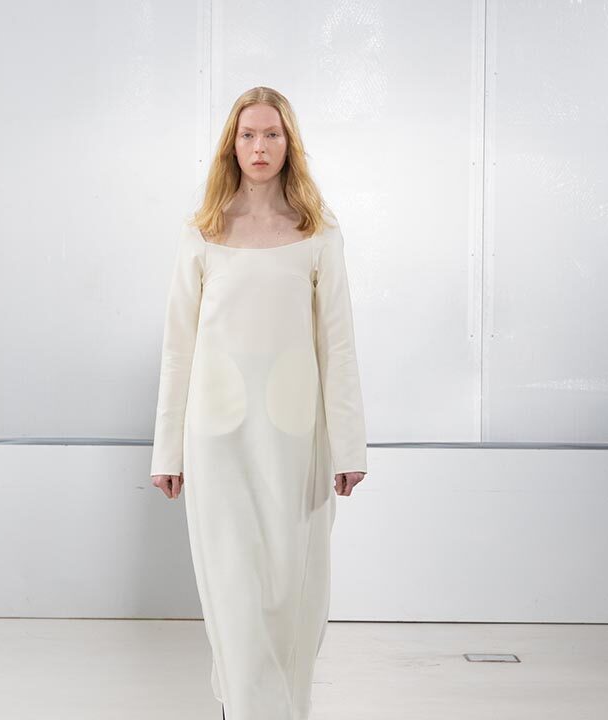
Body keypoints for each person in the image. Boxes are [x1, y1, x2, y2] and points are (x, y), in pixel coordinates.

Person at [149, 86, 367, 720]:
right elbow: (178, 348)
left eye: (272, 134)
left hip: (296, 437)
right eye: (248, 134)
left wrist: (349, 447)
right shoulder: (202, 233)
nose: (260, 146)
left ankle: (282, 708)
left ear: (289, 144)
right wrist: (167, 452)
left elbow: (338, 346)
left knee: (292, 589)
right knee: (232, 586)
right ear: (232, 145)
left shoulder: (319, 233)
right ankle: (242, 708)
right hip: (215, 437)